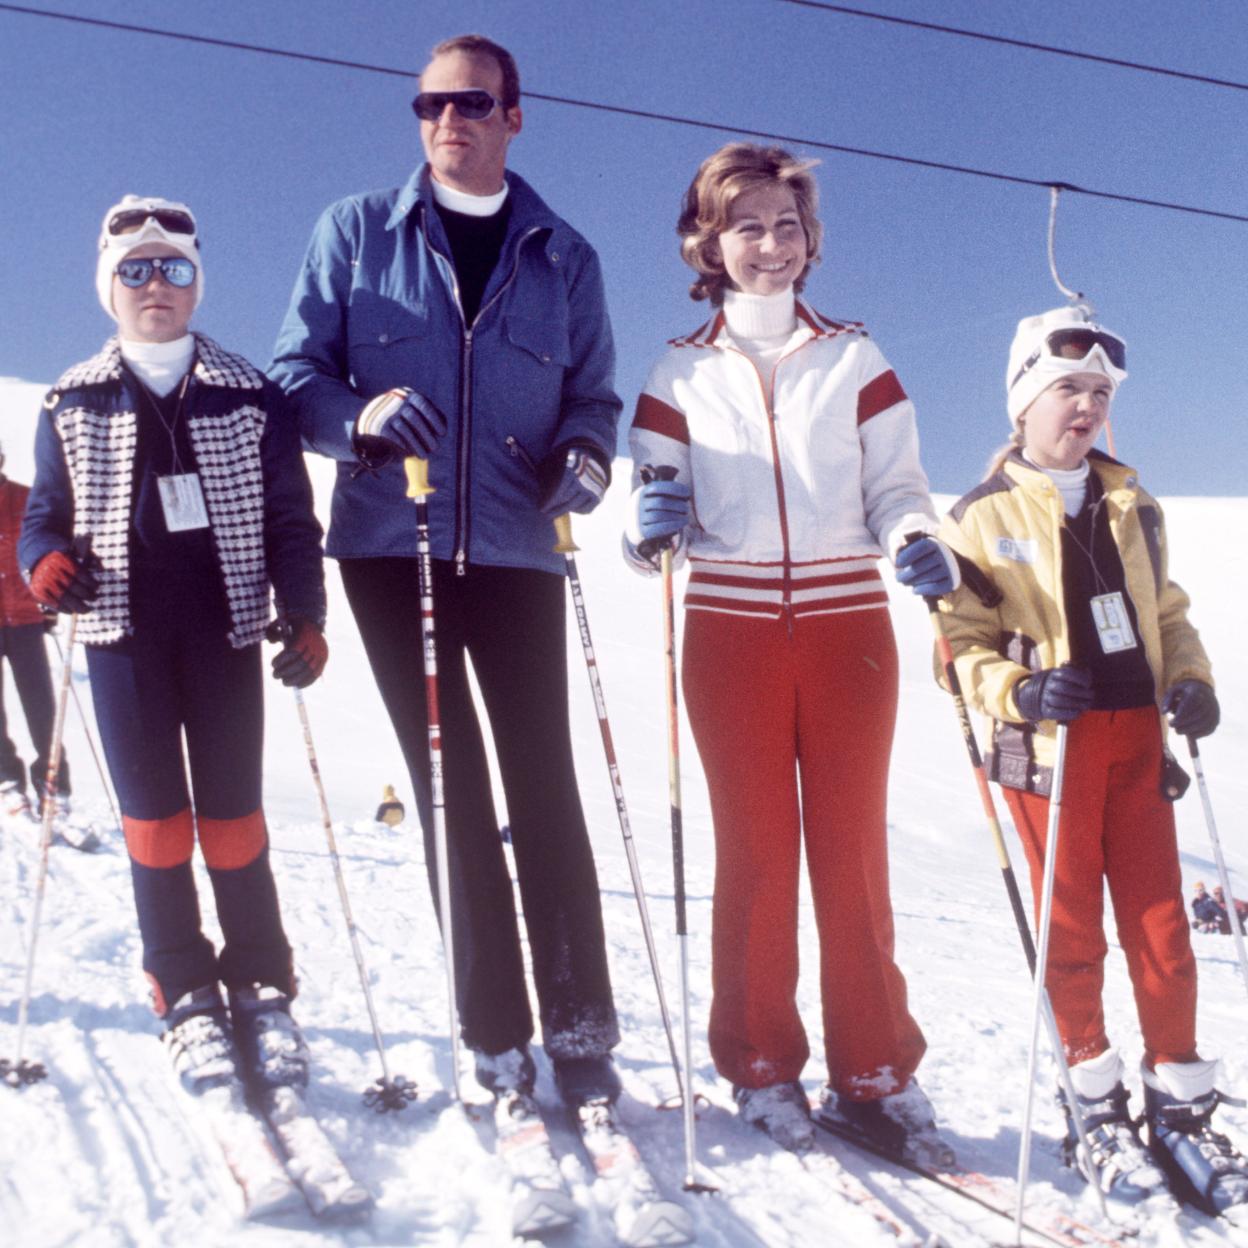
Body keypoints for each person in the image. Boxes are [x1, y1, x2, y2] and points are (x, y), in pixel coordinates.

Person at [270, 34, 623, 1107]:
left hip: (519, 548)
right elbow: (295, 374)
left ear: (515, 114)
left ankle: (581, 1032)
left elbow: (594, 398)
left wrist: (586, 455)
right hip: (394, 543)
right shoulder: (356, 231)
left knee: (544, 780)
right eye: (429, 105)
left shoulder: (564, 255)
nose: (447, 121)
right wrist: (360, 415)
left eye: (471, 102)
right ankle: (495, 1034)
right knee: (447, 783)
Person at [624, 142, 957, 1156]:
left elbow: (897, 487)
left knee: (851, 853)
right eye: (746, 227)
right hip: (729, 631)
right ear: (707, 243)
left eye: (787, 226)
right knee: (757, 854)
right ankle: (761, 1064)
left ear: (811, 241)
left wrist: (915, 534)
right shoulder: (678, 371)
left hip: (848, 622)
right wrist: (645, 527)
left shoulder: (857, 358)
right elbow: (651, 518)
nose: (769, 245)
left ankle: (875, 1068)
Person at [931, 305, 1247, 1217]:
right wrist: (1021, 691)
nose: (1086, 407)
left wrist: (1190, 680)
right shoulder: (980, 515)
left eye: (1100, 393)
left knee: (1162, 926)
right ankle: (1094, 1105)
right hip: (1050, 747)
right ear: (1023, 402)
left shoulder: (1133, 504)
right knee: (1071, 930)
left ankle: (1179, 1106)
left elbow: (1168, 613)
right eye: (1067, 388)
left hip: (1137, 736)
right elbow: (957, 643)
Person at [19, 195, 328, 1097]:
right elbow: (43, 519)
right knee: (155, 825)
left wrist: (305, 614)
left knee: (233, 819)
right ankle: (183, 987)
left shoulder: (250, 394)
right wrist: (44, 565)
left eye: (176, 269)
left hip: (224, 629)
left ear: (197, 287)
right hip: (123, 638)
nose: (156, 284)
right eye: (135, 270)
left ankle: (261, 980)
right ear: (109, 287)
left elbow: (291, 521)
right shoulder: (72, 399)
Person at [1, 441, 70, 819]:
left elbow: (45, 549)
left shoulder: (26, 499)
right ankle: (7, 781)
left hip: (27, 618)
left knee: (41, 705)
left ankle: (54, 784)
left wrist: (51, 602)